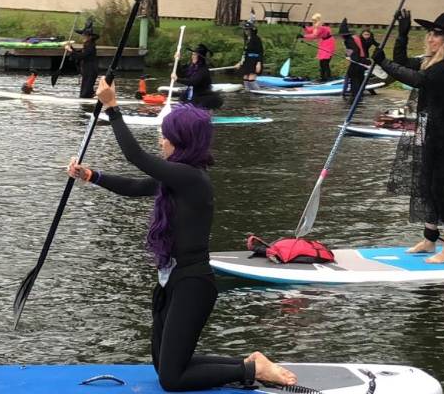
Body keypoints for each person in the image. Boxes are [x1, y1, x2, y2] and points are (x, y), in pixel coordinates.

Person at [66, 79, 298, 392]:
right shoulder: (179, 177)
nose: (161, 139)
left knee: (172, 379)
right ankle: (251, 364)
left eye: (167, 135)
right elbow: (136, 187)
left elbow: (136, 157)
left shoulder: (191, 178)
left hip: (193, 284)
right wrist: (92, 176)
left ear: (182, 139)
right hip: (172, 280)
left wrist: (113, 108)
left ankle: (251, 369)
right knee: (164, 365)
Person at [373, 8, 444, 264]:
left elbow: (417, 79)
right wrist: (402, 34)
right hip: (434, 129)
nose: (430, 39)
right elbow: (403, 62)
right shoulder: (433, 61)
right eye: (430, 34)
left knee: (441, 187)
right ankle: (429, 240)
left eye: (437, 35)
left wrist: (383, 63)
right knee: (425, 183)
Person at [339, 19, 377, 104]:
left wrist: (351, 58)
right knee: (359, 78)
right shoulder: (355, 38)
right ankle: (358, 95)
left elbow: (354, 50)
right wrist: (347, 56)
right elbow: (351, 50)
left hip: (357, 62)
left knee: (354, 78)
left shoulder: (348, 40)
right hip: (362, 61)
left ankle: (354, 97)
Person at [174, 43, 223, 110]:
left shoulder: (203, 70)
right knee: (181, 104)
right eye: (193, 54)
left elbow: (193, 82)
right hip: (191, 95)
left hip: (202, 96)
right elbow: (181, 74)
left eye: (195, 55)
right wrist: (177, 61)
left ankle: (203, 114)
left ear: (200, 57)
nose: (193, 56)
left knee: (193, 106)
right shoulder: (191, 67)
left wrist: (177, 79)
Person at [64, 19, 99, 99]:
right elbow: (79, 53)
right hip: (87, 70)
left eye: (85, 35)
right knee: (85, 91)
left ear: (90, 37)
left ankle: (94, 97)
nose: (83, 36)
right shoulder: (87, 44)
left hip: (91, 70)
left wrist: (70, 50)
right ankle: (93, 96)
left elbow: (81, 56)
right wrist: (71, 48)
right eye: (83, 35)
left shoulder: (90, 45)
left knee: (85, 93)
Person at [299, 13, 335, 82]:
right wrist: (304, 27)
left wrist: (303, 36)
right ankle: (323, 78)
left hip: (328, 44)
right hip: (324, 43)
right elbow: (311, 30)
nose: (313, 22)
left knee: (325, 62)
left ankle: (328, 78)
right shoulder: (317, 26)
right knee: (322, 62)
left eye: (314, 20)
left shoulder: (321, 27)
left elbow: (314, 35)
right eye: (313, 20)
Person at [236, 21, 264, 91]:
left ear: (251, 30)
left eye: (247, 29)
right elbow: (245, 52)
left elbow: (260, 51)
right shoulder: (247, 39)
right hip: (247, 60)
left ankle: (258, 92)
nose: (246, 31)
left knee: (251, 78)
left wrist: (259, 63)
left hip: (254, 60)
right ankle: (248, 91)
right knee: (245, 77)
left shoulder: (256, 39)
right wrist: (240, 62)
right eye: (245, 29)